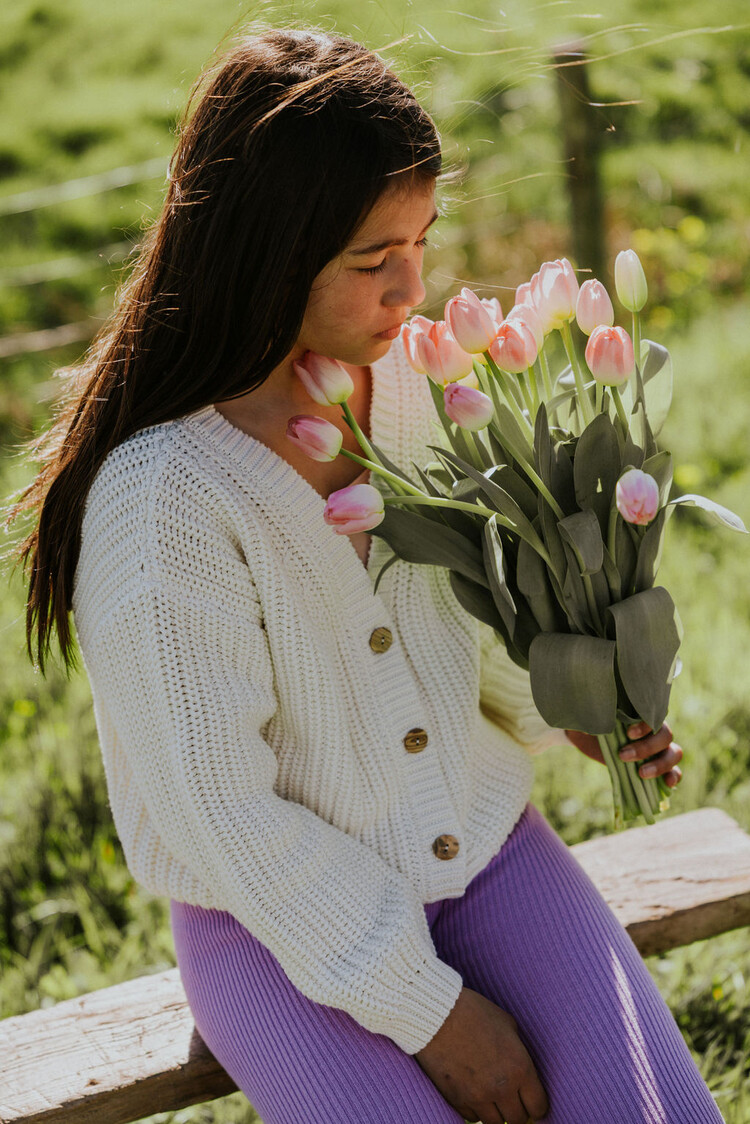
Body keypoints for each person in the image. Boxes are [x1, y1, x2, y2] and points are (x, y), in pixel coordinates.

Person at [11, 27, 722, 1124]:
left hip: (488, 852)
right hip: (271, 922)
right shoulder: (164, 502)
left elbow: (476, 645)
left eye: (422, 241)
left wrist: (571, 703)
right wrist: (431, 1012)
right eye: (369, 259)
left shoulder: (417, 393)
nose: (413, 289)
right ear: (266, 252)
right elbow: (224, 815)